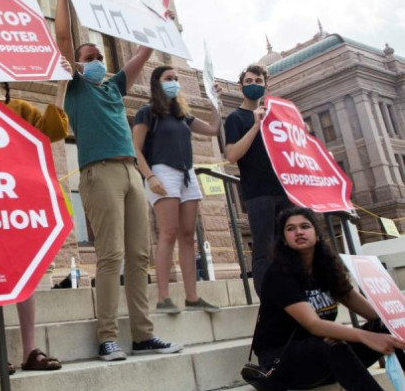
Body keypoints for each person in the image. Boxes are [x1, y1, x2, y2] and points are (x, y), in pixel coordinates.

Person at [52, 0, 182, 361]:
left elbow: (144, 51)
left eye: (98, 55)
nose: (96, 60)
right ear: (77, 63)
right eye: (88, 55)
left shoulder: (113, 86)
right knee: (110, 255)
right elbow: (61, 35)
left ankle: (143, 335)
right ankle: (107, 336)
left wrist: (161, 19)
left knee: (139, 255)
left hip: (129, 172)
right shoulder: (75, 86)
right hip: (99, 173)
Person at [0, 50, 70, 373]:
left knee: (24, 272)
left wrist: (60, 86)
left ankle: (30, 350)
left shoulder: (19, 108)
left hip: (17, 200)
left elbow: (51, 132)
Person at [250, 206, 405, 390]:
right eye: (290, 229)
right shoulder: (279, 274)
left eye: (305, 226)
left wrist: (395, 320)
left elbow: (372, 314)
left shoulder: (326, 269)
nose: (298, 231)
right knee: (332, 343)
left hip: (325, 359)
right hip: (281, 361)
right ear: (284, 240)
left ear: (317, 234)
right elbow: (313, 325)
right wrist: (364, 336)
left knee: (385, 325)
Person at [132, 66, 222, 315]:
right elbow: (135, 149)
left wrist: (216, 102)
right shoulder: (147, 113)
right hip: (162, 172)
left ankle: (192, 297)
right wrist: (149, 176)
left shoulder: (182, 114)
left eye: (176, 79)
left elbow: (213, 130)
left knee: (187, 235)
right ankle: (163, 298)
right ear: (156, 83)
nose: (174, 82)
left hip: (187, 174)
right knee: (168, 233)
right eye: (168, 79)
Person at [224, 64, 292, 296]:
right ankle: (269, 302)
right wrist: (256, 125)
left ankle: (294, 296)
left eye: (258, 82)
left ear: (266, 85)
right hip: (258, 193)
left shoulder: (277, 117)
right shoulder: (235, 118)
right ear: (240, 86)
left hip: (286, 191)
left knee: (290, 246)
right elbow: (232, 155)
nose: (254, 85)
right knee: (264, 249)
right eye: (249, 81)